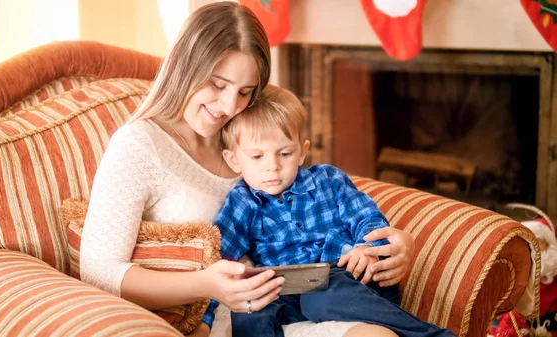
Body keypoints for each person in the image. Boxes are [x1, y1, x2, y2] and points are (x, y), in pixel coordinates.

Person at [79, 2, 415, 336]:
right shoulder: (139, 145)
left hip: (292, 303)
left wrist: (397, 242)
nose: (228, 106)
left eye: (244, 91)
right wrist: (205, 286)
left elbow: (314, 192)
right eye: (218, 84)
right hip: (232, 321)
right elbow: (98, 271)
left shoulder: (243, 133)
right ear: (186, 65)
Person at [211, 85, 455, 337]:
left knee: (320, 298)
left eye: (284, 153)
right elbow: (216, 259)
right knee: (248, 308)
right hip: (289, 293)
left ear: (302, 152)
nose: (272, 167)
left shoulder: (328, 181)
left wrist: (366, 248)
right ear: (234, 160)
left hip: (349, 281)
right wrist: (204, 317)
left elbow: (368, 219)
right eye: (257, 157)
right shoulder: (242, 202)